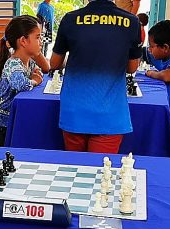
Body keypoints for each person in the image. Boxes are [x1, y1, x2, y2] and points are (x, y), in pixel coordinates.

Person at [50, 0, 142, 154]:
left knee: (75, 167)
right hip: (110, 113)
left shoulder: (70, 19)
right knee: (101, 167)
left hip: (75, 111)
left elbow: (54, 63)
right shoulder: (132, 22)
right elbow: (132, 68)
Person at [0, 16, 44, 146]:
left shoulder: (28, 61)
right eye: (37, 37)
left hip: (13, 119)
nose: (41, 42)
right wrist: (35, 81)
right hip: (3, 125)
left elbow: (40, 71)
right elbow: (21, 84)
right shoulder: (13, 64)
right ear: (23, 41)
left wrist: (36, 74)